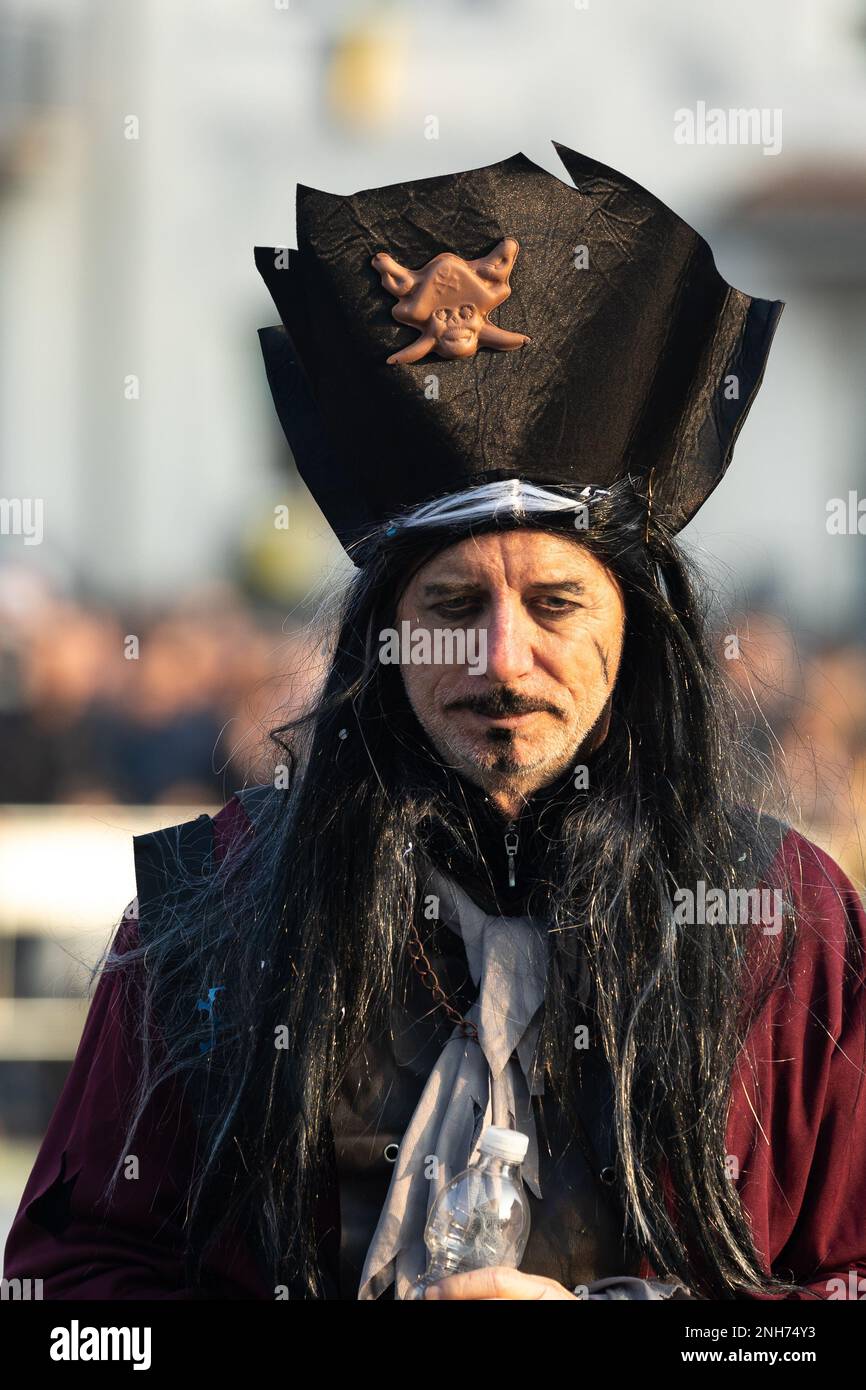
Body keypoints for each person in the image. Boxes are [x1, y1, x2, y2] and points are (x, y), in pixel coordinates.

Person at [5, 143, 865, 1302]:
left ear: (635, 635)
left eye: (554, 604)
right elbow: (69, 1300)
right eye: (453, 606)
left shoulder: (787, 921)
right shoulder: (212, 912)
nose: (501, 659)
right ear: (385, 638)